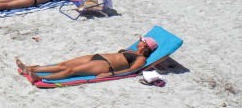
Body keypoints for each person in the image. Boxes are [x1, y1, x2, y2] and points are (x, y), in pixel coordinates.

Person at [16, 37, 158, 84]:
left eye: (141, 40)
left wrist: (111, 74)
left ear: (145, 45)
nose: (139, 41)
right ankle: (30, 69)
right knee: (62, 64)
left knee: (70, 71)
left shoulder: (141, 59)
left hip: (104, 65)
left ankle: (39, 77)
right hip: (96, 56)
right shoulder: (131, 50)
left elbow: (130, 70)